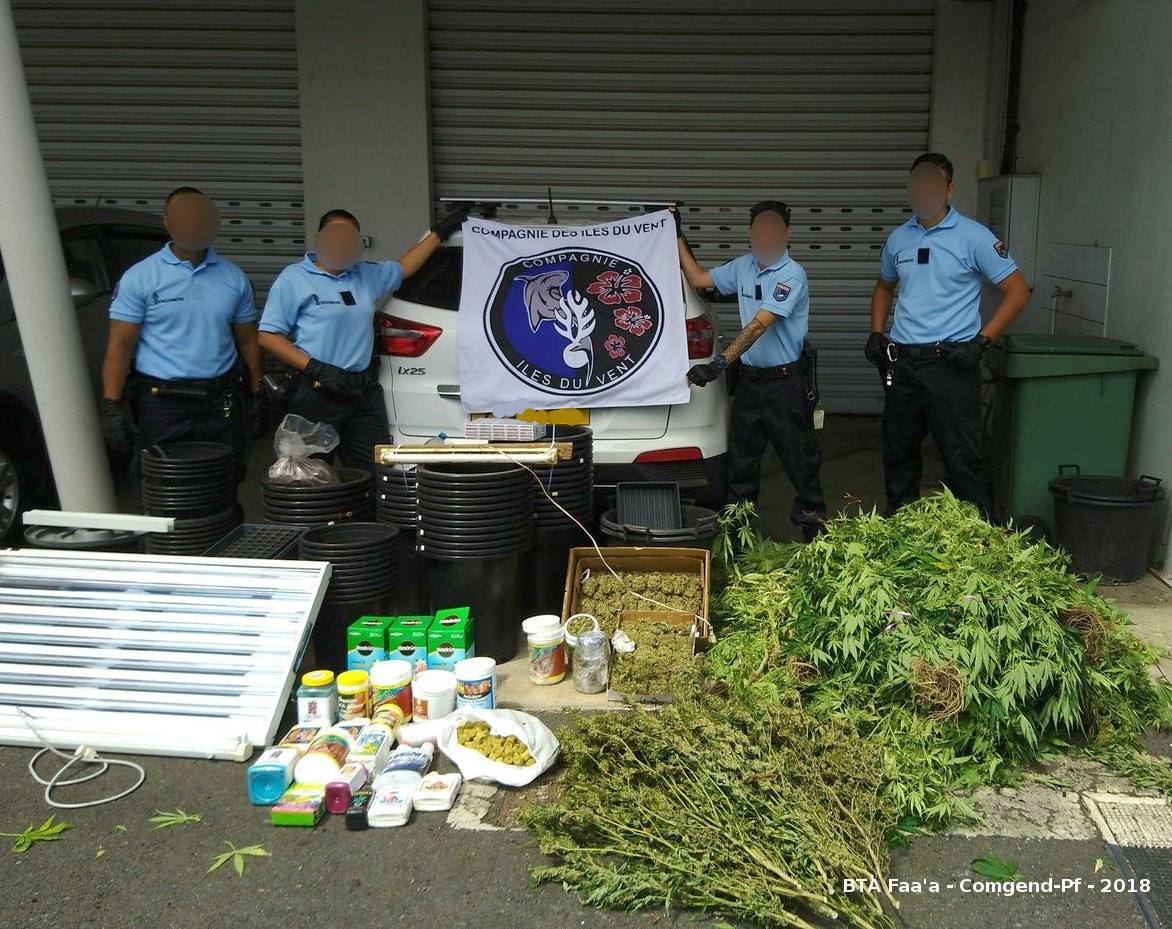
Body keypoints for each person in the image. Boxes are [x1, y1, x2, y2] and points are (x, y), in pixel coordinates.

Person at [867, 152, 1030, 518]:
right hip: (904, 364)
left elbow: (1018, 291)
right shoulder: (899, 238)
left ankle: (977, 532)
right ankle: (900, 524)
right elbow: (884, 286)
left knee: (962, 455)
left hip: (952, 363)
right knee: (898, 451)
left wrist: (982, 342)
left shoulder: (975, 237)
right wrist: (876, 332)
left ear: (949, 189)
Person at [257, 205, 468, 471]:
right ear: (318, 238)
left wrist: (439, 232)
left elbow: (404, 268)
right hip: (318, 390)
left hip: (361, 392)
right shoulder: (295, 278)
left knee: (374, 470)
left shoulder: (365, 274)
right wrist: (316, 368)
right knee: (308, 474)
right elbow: (268, 335)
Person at [675, 201, 827, 541]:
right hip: (750, 384)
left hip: (786, 386)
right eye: (761, 229)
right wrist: (677, 236)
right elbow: (698, 279)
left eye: (775, 230)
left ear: (787, 234)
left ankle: (816, 537)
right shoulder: (742, 266)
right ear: (750, 233)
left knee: (802, 464)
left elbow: (758, 326)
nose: (767, 236)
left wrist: (718, 364)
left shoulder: (791, 274)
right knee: (741, 466)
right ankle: (738, 539)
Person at [99, 187, 262, 474]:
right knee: (163, 481)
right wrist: (111, 404)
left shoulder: (233, 277)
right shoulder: (141, 277)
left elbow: (248, 340)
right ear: (168, 222)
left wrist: (257, 393)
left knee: (223, 478)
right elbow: (120, 346)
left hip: (219, 401)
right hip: (162, 403)